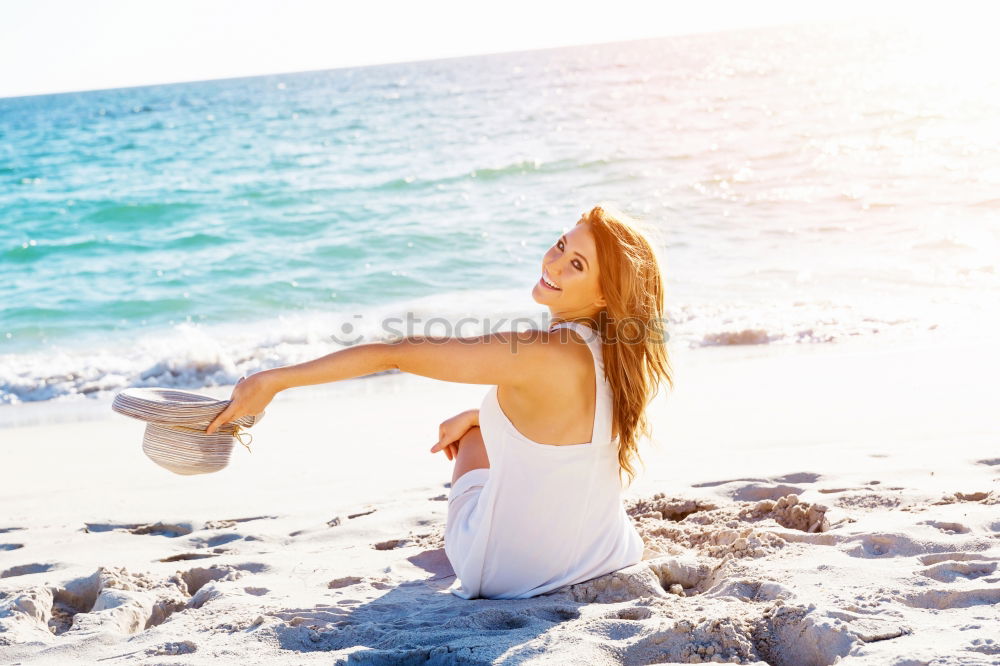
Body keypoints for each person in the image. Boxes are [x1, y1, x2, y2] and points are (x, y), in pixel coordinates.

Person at [206, 204, 674, 599]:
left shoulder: (537, 352)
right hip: (605, 551)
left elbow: (395, 353)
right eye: (560, 245)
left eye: (577, 265)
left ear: (605, 292)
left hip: (511, 573)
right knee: (479, 424)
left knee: (471, 438)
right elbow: (570, 424)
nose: (553, 264)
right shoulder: (619, 354)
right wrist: (482, 416)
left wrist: (274, 382)